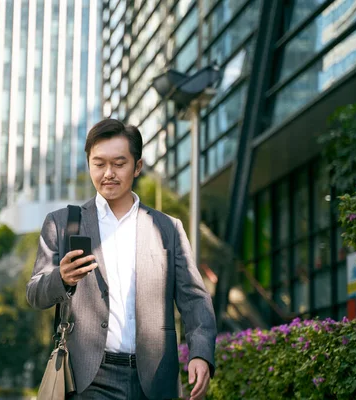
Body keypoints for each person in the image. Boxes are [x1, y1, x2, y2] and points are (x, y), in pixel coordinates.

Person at [27, 119, 216, 400]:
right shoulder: (62, 223)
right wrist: (61, 278)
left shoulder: (167, 228)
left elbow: (194, 298)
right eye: (99, 163)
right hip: (88, 378)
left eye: (119, 163)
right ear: (88, 163)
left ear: (137, 167)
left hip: (154, 379)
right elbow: (35, 293)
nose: (108, 174)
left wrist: (201, 354)